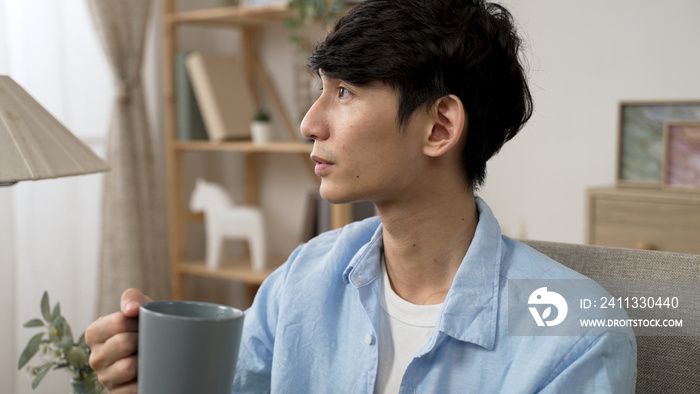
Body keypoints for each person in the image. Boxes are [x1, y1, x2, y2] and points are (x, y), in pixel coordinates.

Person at [86, 0, 637, 392]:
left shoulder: (577, 333)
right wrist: (146, 369)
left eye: (344, 91)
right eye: (319, 90)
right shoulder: (304, 278)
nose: (308, 123)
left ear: (439, 127)